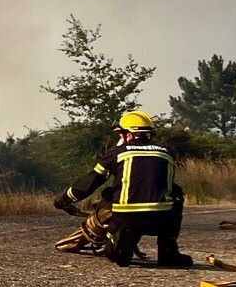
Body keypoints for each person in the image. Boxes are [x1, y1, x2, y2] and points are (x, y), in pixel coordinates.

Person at [53, 110, 192, 268]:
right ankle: (168, 252)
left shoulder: (117, 153)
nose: (120, 138)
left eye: (121, 134)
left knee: (118, 256)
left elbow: (91, 181)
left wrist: (65, 198)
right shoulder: (166, 154)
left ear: (130, 134)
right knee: (176, 193)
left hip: (127, 220)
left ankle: (120, 246)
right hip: (160, 221)